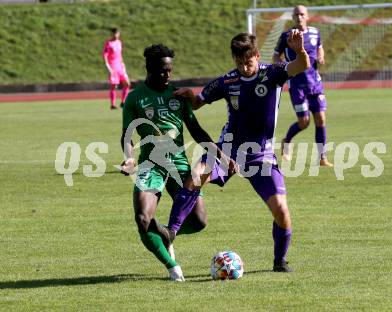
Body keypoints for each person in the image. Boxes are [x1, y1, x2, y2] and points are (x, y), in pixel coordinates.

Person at [158, 31, 310, 273]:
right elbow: (198, 102)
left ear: (257, 56)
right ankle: (171, 231)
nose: (244, 67)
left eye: (248, 62)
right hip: (227, 150)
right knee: (196, 175)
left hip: (261, 156)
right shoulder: (227, 81)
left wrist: (299, 48)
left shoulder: (272, 73)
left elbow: (302, 64)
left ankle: (279, 261)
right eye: (239, 63)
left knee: (282, 211)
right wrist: (190, 96)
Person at [120, 44, 232, 281]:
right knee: (143, 219)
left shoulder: (178, 96)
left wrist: (221, 155)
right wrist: (129, 157)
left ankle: (168, 234)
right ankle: (173, 267)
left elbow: (197, 131)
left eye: (170, 70)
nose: (168, 75)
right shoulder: (135, 98)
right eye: (163, 71)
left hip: (179, 165)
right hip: (151, 166)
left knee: (200, 221)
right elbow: (127, 135)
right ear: (150, 69)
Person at [273, 5, 333, 166]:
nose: (299, 17)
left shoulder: (315, 32)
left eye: (302, 14)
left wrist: (321, 57)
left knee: (321, 119)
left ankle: (322, 158)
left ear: (307, 16)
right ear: (292, 17)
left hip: (315, 84)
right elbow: (275, 56)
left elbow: (320, 48)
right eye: (296, 15)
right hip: (297, 86)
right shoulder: (286, 36)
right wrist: (285, 68)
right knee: (304, 122)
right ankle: (287, 140)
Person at [103, 27, 131, 110]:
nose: (116, 35)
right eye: (114, 33)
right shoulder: (108, 44)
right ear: (112, 34)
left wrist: (123, 64)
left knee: (127, 84)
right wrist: (108, 67)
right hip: (113, 66)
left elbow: (120, 55)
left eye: (117, 33)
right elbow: (105, 56)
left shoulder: (119, 42)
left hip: (120, 66)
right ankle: (112, 105)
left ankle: (123, 102)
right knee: (113, 86)